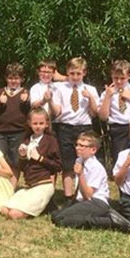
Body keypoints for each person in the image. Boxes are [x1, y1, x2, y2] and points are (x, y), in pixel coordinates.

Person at [51, 131, 130, 232]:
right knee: (55, 215)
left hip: (96, 202)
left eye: (82, 146)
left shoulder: (95, 167)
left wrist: (80, 174)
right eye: (77, 144)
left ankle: (110, 221)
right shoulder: (79, 160)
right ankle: (99, 216)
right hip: (83, 201)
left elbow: (88, 195)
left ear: (93, 149)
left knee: (62, 220)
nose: (77, 148)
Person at [48, 57, 99, 205]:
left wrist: (90, 99)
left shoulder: (90, 89)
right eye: (72, 73)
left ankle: (86, 194)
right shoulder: (59, 88)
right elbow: (57, 112)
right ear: (67, 73)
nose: (75, 77)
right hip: (65, 127)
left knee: (86, 162)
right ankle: (68, 196)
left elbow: (95, 113)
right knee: (67, 164)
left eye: (78, 73)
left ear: (84, 73)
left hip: (84, 127)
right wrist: (50, 100)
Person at [2, 108, 62, 220]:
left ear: (46, 124)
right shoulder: (27, 140)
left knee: (13, 214)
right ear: (29, 123)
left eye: (41, 123)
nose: (38, 126)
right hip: (30, 186)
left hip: (44, 185)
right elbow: (23, 168)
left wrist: (40, 158)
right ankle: (44, 206)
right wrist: (23, 157)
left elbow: (58, 166)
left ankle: (43, 204)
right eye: (35, 123)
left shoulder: (50, 140)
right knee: (4, 210)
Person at [0, 62, 30, 183]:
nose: (13, 81)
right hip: (0, 132)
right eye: (11, 78)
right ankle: (0, 186)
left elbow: (31, 113)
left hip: (18, 131)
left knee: (15, 161)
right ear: (6, 78)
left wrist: (26, 102)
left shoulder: (25, 93)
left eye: (16, 78)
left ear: (22, 79)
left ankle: (12, 187)